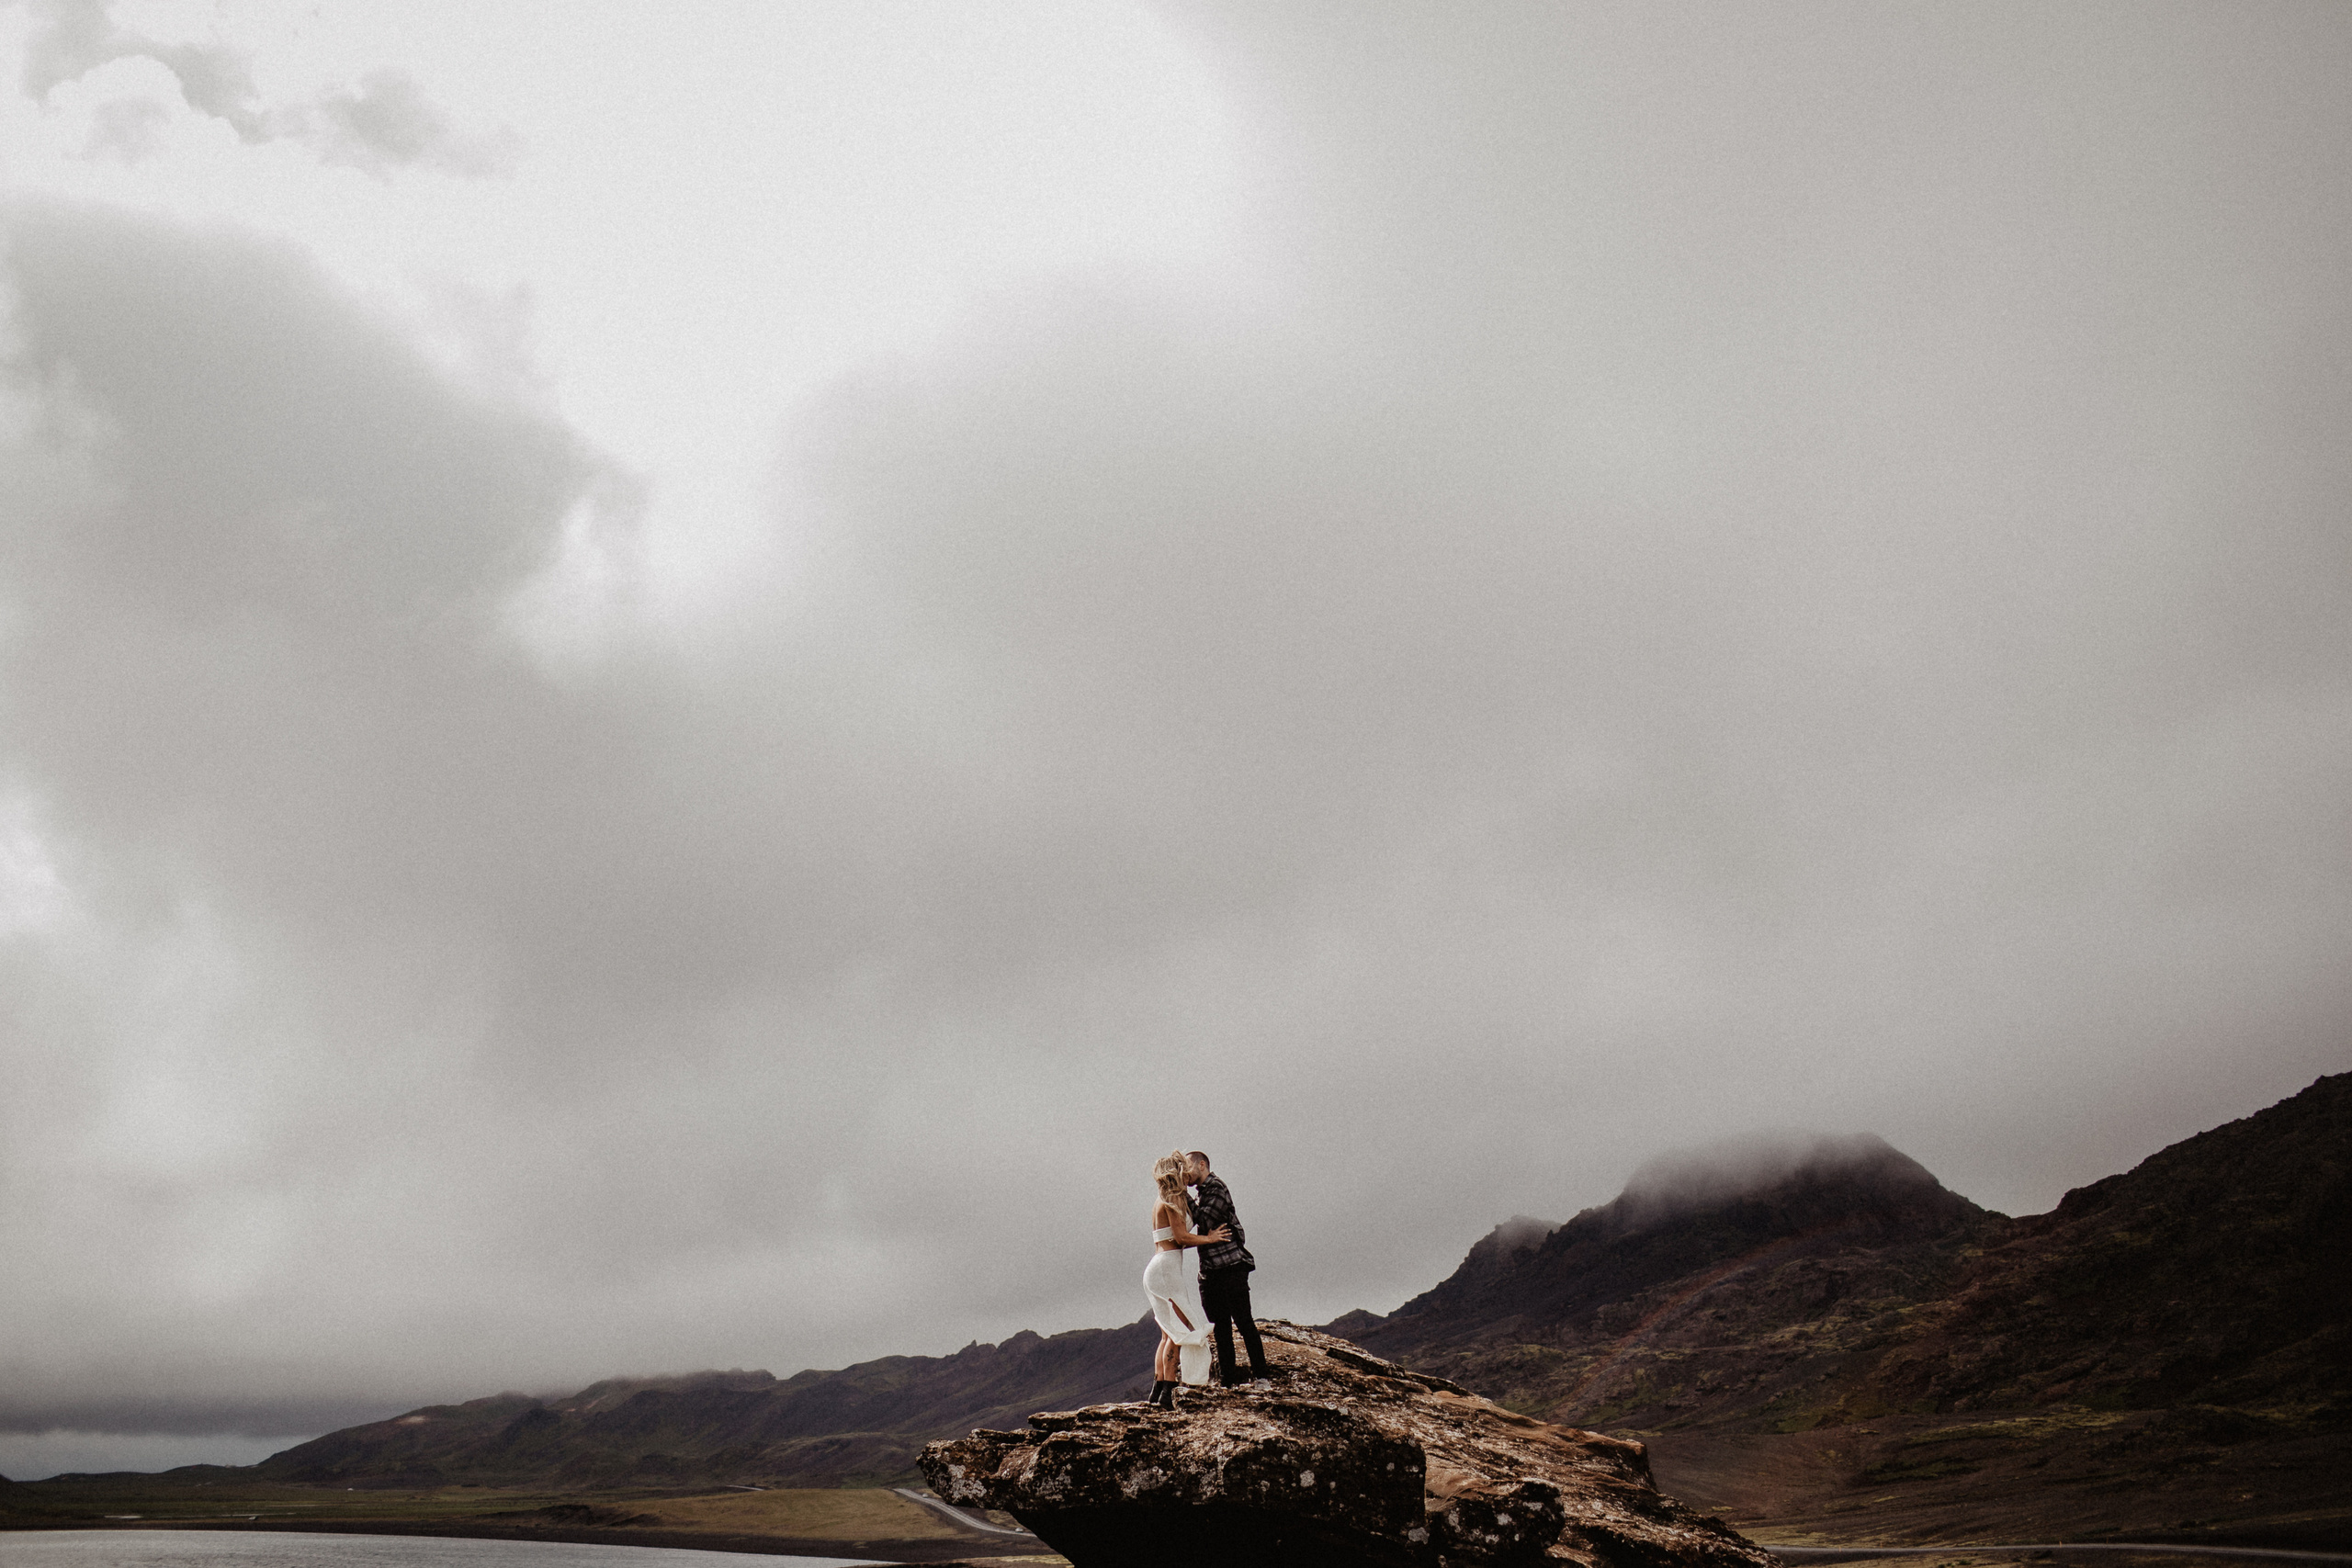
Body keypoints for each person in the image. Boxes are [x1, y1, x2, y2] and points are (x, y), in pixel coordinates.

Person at [1141, 1149, 1228, 1408]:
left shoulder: (1160, 1199)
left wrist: (1200, 1240)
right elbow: (1180, 1237)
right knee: (1179, 1331)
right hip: (1166, 1270)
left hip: (1159, 1267)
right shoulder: (1172, 1199)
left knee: (1168, 1333)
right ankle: (1168, 1392)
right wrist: (1210, 1239)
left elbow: (1172, 1240)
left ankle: (1158, 1391)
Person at [1187, 1150, 1275, 1386]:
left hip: (1231, 1268)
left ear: (1202, 1164)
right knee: (1221, 1328)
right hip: (1211, 1271)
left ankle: (1261, 1377)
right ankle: (1228, 1380)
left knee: (1244, 1322)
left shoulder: (1216, 1188)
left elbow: (1204, 1221)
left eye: (1187, 1167)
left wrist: (1181, 1194)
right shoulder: (1202, 1193)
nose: (1184, 1173)